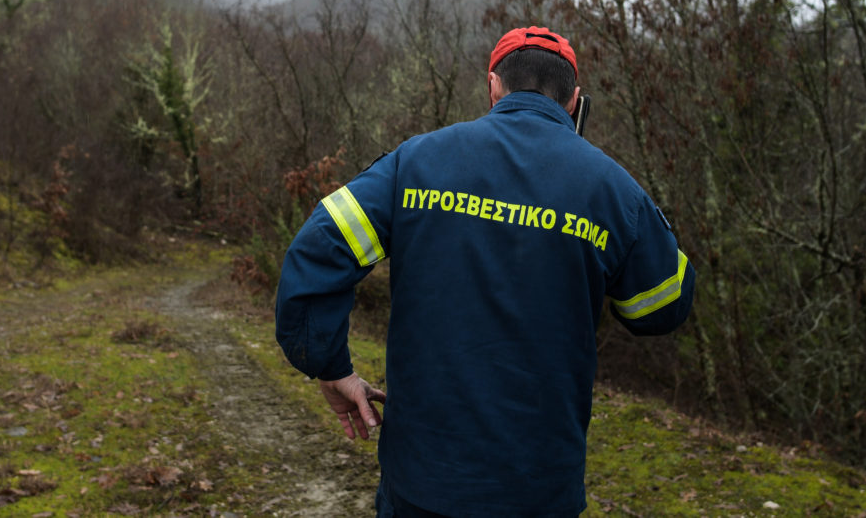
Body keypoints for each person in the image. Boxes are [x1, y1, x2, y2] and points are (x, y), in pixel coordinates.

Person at [275, 26, 695, 517]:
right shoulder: (612, 188)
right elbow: (664, 307)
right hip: (539, 490)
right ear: (575, 99)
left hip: (422, 482)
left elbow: (319, 247)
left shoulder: (416, 162)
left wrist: (328, 364)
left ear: (493, 87)